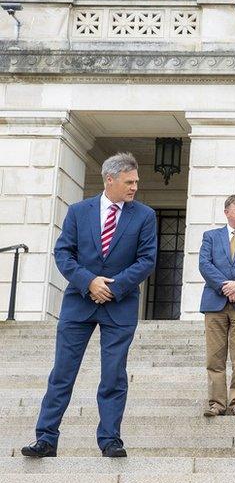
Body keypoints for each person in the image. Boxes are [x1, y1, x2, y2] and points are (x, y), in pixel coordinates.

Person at [22, 152, 157, 458]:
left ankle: (110, 439)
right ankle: (46, 437)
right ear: (110, 179)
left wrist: (114, 287)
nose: (135, 187)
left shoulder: (145, 215)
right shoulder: (79, 211)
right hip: (79, 303)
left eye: (136, 181)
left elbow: (147, 259)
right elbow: (63, 253)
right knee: (62, 372)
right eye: (129, 181)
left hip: (119, 305)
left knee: (113, 375)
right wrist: (89, 282)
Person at [198, 195, 235, 418]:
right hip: (215, 302)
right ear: (227, 212)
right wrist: (225, 287)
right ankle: (216, 403)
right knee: (215, 356)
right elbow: (204, 264)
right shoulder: (211, 236)